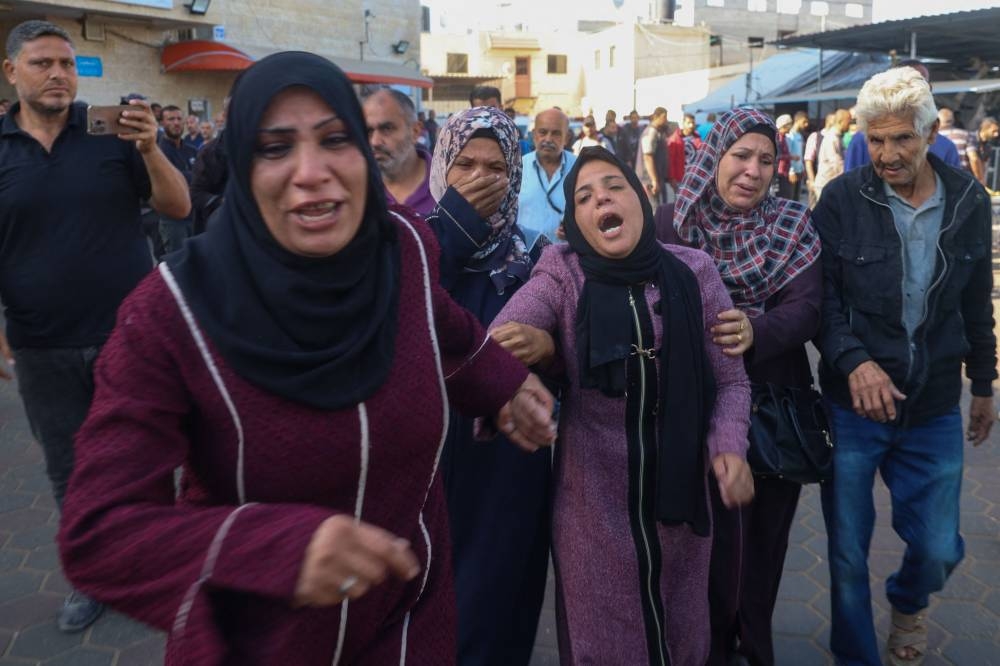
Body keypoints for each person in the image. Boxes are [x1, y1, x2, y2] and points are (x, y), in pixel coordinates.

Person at [57, 51, 556, 666]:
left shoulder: (402, 244)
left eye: (335, 139)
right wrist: (273, 547)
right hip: (266, 643)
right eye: (275, 147)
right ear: (240, 160)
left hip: (411, 625)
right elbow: (100, 531)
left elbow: (442, 326)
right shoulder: (169, 313)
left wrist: (501, 381)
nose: (312, 170)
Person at [491, 146, 754, 664]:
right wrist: (529, 353)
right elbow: (500, 340)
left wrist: (728, 446)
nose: (601, 200)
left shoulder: (695, 271)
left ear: (640, 195)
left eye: (614, 185)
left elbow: (731, 383)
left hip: (681, 501)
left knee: (682, 641)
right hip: (591, 512)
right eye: (584, 197)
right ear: (575, 222)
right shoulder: (560, 273)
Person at [0, 19, 190, 633]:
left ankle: (157, 567)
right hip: (40, 344)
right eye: (42, 63)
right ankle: (92, 577)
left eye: (66, 62)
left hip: (128, 337)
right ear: (11, 73)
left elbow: (177, 207)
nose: (58, 73)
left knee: (147, 456)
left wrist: (151, 147)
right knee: (70, 468)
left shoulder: (111, 135)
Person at [813, 66, 996, 666]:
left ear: (929, 133)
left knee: (940, 547)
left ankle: (909, 602)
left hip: (934, 404)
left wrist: (986, 386)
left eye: (902, 139)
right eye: (876, 139)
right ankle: (857, 656)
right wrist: (855, 363)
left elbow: (975, 303)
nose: (888, 154)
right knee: (844, 555)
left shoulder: (968, 199)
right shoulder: (841, 198)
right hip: (853, 407)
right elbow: (824, 301)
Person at [661, 108, 822, 666]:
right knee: (701, 543)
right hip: (692, 408)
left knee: (762, 544)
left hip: (773, 409)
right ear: (714, 158)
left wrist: (758, 328)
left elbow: (808, 309)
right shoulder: (672, 225)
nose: (753, 171)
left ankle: (755, 647)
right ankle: (702, 647)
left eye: (765, 159)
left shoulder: (793, 225)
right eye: (740, 156)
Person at [424, 106, 550, 666]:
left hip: (505, 466)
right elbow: (404, 312)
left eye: (496, 166)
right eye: (465, 165)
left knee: (497, 609)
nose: (480, 178)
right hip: (426, 460)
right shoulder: (415, 246)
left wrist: (549, 348)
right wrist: (453, 227)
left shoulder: (538, 258)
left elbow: (573, 340)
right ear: (442, 169)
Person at [843, 62, 960, 173]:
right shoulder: (861, 141)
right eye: (877, 141)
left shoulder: (946, 147)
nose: (888, 157)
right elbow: (849, 186)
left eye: (904, 138)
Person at [363, 87, 435, 216]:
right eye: (368, 131)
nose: (375, 141)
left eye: (387, 128)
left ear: (415, 131)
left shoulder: (448, 185)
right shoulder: (359, 191)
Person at [517, 107, 576, 255]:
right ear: (534, 135)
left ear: (567, 138)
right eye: (543, 132)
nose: (548, 139)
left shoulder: (579, 169)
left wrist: (577, 231)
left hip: (568, 258)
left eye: (556, 133)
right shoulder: (518, 168)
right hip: (525, 258)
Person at [157, 104, 198, 254]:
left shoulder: (191, 150)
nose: (176, 122)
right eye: (171, 119)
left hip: (194, 216)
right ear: (162, 123)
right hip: (173, 221)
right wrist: (189, 177)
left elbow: (201, 179)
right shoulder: (158, 152)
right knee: (179, 263)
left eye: (179, 118)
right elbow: (169, 182)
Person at [812, 108, 851, 202]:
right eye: (848, 122)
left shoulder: (838, 137)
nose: (849, 125)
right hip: (825, 184)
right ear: (841, 121)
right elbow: (837, 163)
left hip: (830, 183)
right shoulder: (832, 138)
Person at [638, 106, 670, 208]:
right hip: (649, 180)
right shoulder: (651, 132)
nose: (666, 120)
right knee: (654, 209)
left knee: (660, 208)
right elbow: (648, 157)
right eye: (664, 117)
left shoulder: (658, 132)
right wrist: (654, 180)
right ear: (656, 117)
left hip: (657, 178)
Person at [968, 116, 999, 190]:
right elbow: (974, 159)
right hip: (965, 176)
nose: (996, 134)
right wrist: (980, 180)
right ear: (985, 129)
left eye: (997, 131)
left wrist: (982, 181)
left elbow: (983, 165)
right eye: (994, 131)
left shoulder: (988, 146)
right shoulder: (971, 137)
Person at [786, 111, 809, 202]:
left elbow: (800, 154)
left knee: (796, 199)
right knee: (790, 199)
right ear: (798, 120)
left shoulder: (799, 135)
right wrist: (791, 171)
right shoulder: (789, 135)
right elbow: (789, 154)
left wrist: (802, 168)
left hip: (799, 171)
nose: (806, 125)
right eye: (804, 122)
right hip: (792, 172)